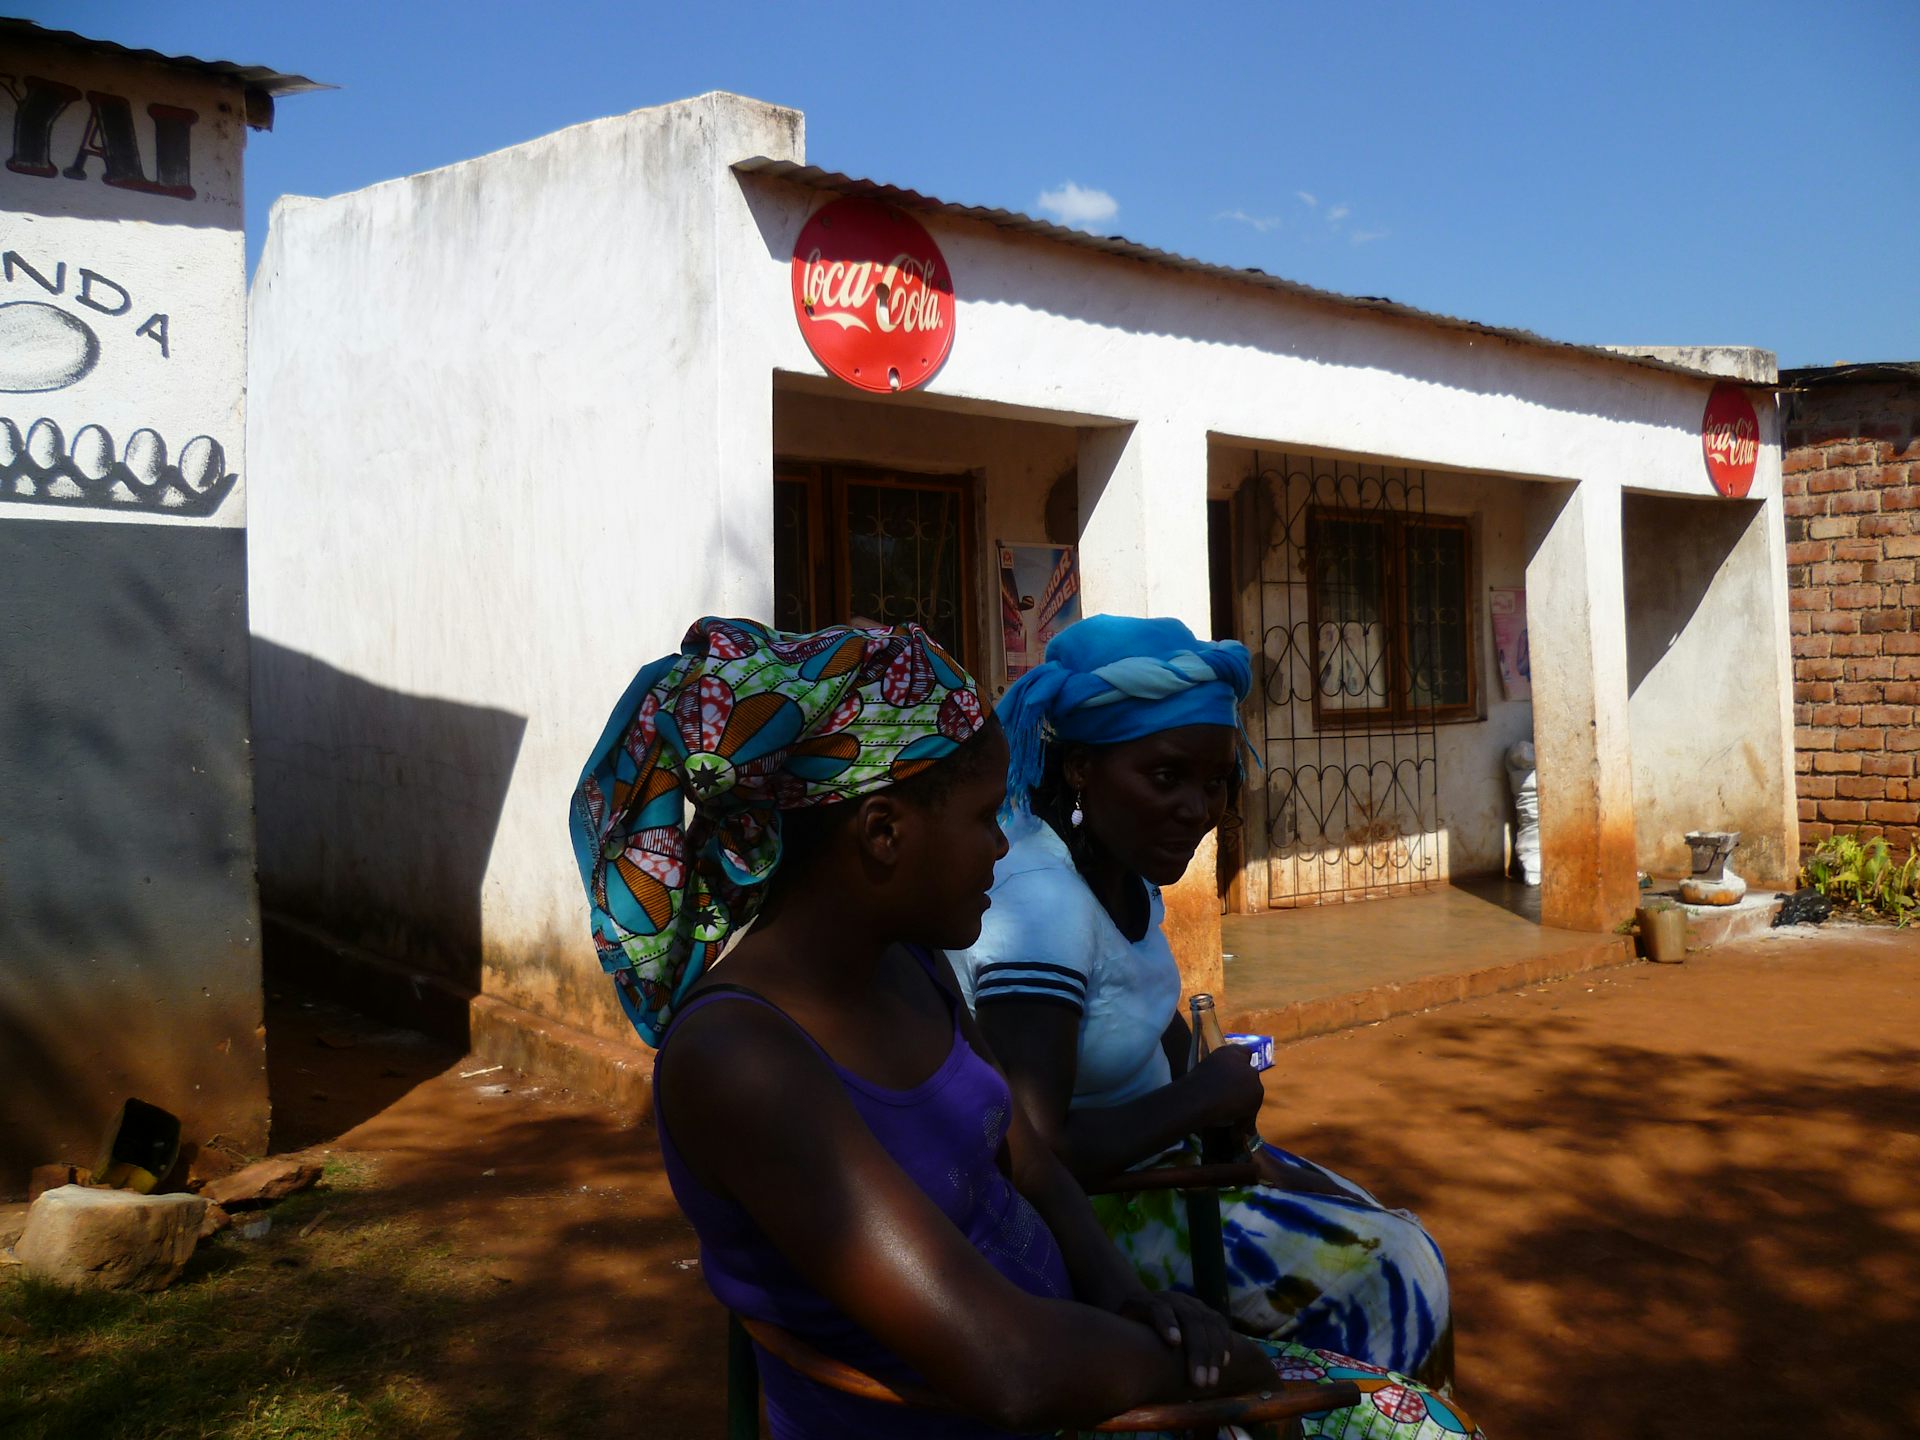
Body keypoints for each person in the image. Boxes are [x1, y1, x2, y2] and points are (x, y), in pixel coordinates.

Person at [571, 616, 1482, 1439]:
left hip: (1088, 1364)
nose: (1004, 847)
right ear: (883, 833)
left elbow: (1030, 1159)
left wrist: (1134, 1302)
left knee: (1418, 1412)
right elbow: (1008, 1367)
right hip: (995, 1409)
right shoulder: (741, 1060)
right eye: (980, 818)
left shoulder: (906, 964)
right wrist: (1218, 1367)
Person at [952, 614, 1456, 1391]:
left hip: (1167, 1162)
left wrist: (1204, 1089)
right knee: (1392, 1269)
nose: (1199, 807)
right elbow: (1034, 1153)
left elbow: (1140, 1024)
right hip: (1092, 1217)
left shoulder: (1121, 867)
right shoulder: (1042, 907)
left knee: (1394, 1228)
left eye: (1216, 780)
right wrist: (1200, 1098)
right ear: (1082, 768)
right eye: (1166, 777)